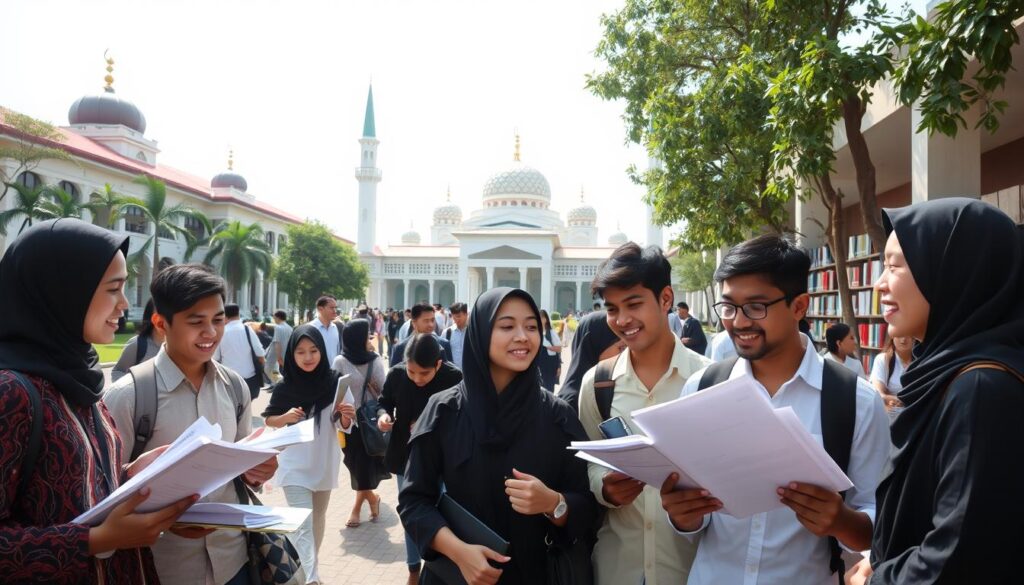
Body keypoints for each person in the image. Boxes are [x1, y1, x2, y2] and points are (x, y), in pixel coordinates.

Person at [660, 234, 889, 585]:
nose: (738, 322)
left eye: (755, 307)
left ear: (799, 307)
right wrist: (683, 515)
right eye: (729, 307)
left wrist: (840, 520)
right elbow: (695, 516)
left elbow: (879, 521)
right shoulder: (703, 389)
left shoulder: (854, 401)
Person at [0, 219, 197, 583]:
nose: (125, 303)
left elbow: (67, 487)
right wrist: (95, 540)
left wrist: (131, 476)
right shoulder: (11, 393)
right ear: (62, 291)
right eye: (113, 289)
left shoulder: (79, 378)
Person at [846, 198, 1024, 584]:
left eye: (894, 266)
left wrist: (877, 580)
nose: (879, 283)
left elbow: (963, 552)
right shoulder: (943, 372)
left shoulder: (980, 387)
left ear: (954, 272)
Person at [398, 287, 598, 584]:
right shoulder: (444, 411)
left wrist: (553, 503)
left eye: (531, 326)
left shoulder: (557, 416)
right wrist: (460, 552)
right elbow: (414, 501)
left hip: (536, 573)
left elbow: (587, 504)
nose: (522, 336)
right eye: (506, 326)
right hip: (459, 575)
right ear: (481, 332)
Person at [102, 263, 279, 585]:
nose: (210, 333)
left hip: (234, 561)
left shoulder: (235, 387)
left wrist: (257, 470)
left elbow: (239, 464)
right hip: (164, 568)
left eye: (218, 320)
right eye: (196, 322)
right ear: (160, 323)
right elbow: (102, 493)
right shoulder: (127, 397)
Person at [577, 242, 711, 585]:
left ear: (665, 299)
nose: (622, 320)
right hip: (617, 566)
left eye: (634, 304)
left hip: (690, 568)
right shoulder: (598, 383)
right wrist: (604, 488)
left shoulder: (710, 381)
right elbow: (591, 458)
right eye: (611, 308)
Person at [262, 325, 353, 585]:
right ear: (292, 355)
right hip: (294, 465)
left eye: (313, 350)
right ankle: (310, 579)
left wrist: (346, 417)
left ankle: (306, 567)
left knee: (317, 519)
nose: (308, 357)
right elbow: (269, 420)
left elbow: (344, 423)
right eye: (301, 352)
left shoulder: (335, 381)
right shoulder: (284, 387)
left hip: (324, 460)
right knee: (302, 523)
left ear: (322, 351)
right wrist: (286, 417)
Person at [377, 333, 464, 584]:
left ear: (438, 364)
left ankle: (439, 567)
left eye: (424, 374)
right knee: (412, 514)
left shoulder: (454, 377)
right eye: (411, 372)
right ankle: (413, 568)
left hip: (444, 459)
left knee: (444, 514)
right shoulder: (395, 375)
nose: (417, 379)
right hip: (406, 457)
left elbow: (463, 418)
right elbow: (383, 403)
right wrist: (384, 417)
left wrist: (429, 425)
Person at [332, 318, 389, 528]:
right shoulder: (339, 361)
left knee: (363, 467)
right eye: (366, 335)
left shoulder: (374, 360)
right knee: (353, 465)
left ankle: (356, 509)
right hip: (347, 425)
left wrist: (375, 388)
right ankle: (373, 499)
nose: (369, 338)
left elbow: (384, 390)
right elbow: (334, 392)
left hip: (369, 423)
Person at [556, 310, 624, 413]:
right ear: (594, 347)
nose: (627, 354)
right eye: (621, 348)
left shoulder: (615, 387)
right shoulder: (568, 407)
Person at [212, 304, 265, 399]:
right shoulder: (248, 330)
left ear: (225, 316)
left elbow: (215, 358)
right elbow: (260, 354)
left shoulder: (221, 333)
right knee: (246, 409)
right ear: (238, 314)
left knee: (230, 408)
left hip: (228, 379)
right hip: (249, 380)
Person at [111, 298, 163, 381]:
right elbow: (118, 371)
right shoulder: (138, 344)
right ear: (151, 317)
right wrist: (131, 391)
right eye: (160, 313)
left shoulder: (181, 346)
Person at [869, 334, 912, 414]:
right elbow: (877, 394)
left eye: (908, 334)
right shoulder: (883, 359)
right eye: (899, 334)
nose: (903, 339)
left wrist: (889, 398)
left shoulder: (921, 361)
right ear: (892, 336)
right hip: (890, 417)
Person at [538, 309, 563, 391]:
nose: (541, 319)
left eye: (543, 317)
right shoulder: (535, 331)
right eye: (539, 317)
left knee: (549, 386)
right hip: (539, 363)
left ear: (546, 319)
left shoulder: (551, 332)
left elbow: (559, 349)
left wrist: (547, 346)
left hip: (550, 363)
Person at [313, 295, 342, 363]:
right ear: (320, 309)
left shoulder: (335, 328)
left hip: (333, 371)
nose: (335, 311)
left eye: (335, 308)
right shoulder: (311, 328)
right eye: (331, 308)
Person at [268, 309, 293, 382]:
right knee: (277, 371)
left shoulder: (278, 328)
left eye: (274, 317)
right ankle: (278, 384)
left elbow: (277, 343)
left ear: (278, 317)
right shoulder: (289, 328)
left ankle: (279, 383)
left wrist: (279, 357)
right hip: (287, 355)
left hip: (279, 356)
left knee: (268, 369)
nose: (274, 319)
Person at [443, 302, 469, 369]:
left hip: (470, 373)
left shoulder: (473, 332)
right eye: (453, 316)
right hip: (453, 373)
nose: (456, 319)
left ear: (466, 314)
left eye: (458, 316)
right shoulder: (447, 332)